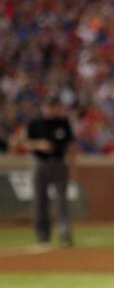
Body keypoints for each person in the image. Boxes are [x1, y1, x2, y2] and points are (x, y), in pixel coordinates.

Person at [21, 94, 77, 247]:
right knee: (40, 201)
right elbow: (25, 143)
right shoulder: (35, 123)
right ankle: (42, 236)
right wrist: (38, 144)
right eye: (48, 106)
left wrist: (73, 168)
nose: (51, 109)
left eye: (53, 106)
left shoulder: (63, 123)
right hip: (40, 164)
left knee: (61, 201)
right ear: (43, 107)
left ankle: (64, 235)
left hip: (59, 163)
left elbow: (71, 147)